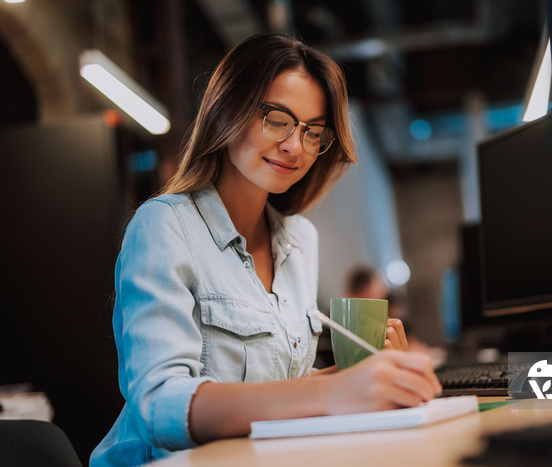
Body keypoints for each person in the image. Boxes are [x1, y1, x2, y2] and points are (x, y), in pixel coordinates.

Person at [90, 33, 441, 467]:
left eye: (314, 131)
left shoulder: (300, 241)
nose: (296, 146)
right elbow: (160, 408)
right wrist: (330, 391)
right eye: (278, 118)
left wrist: (362, 377)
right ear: (227, 110)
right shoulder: (164, 226)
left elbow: (278, 383)